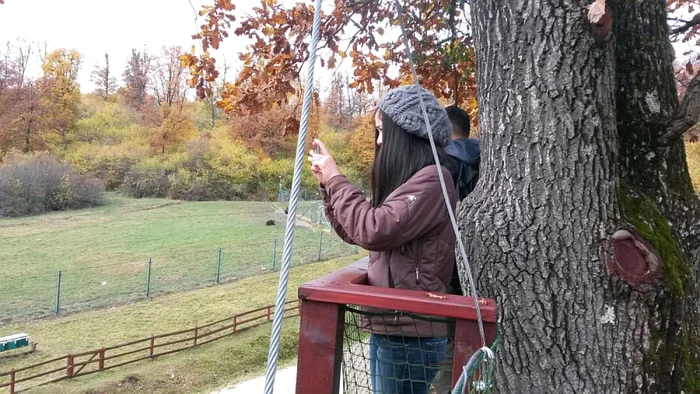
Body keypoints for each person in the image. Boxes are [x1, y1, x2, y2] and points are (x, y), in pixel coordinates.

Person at [308, 85, 457, 394]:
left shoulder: (433, 180)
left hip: (410, 331)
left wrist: (337, 179)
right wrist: (328, 188)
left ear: (405, 132)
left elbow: (373, 230)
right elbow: (355, 231)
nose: (378, 141)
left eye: (382, 131)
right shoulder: (410, 182)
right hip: (392, 325)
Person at [432, 104, 481, 394]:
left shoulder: (442, 164)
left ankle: (446, 387)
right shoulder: (490, 160)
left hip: (448, 261)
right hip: (481, 259)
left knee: (446, 336)